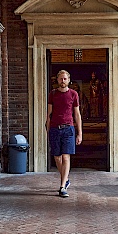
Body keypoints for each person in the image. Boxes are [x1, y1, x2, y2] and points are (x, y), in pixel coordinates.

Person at [45, 69, 82, 197]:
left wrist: (80, 133)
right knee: (57, 157)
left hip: (68, 129)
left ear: (69, 80)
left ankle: (62, 187)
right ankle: (66, 179)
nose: (63, 81)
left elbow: (77, 114)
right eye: (61, 79)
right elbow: (49, 114)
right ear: (57, 80)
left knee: (66, 157)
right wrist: (47, 129)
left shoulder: (73, 94)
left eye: (65, 79)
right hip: (55, 128)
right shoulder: (53, 94)